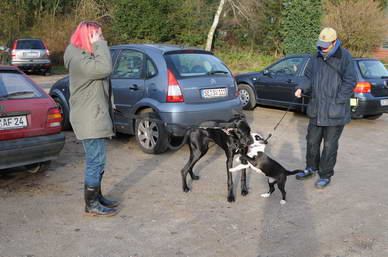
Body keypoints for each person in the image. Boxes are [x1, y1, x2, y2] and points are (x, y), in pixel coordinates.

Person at [64, 21, 119, 216]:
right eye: (99, 35)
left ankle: (98, 196)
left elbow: (100, 80)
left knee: (99, 160)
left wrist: (109, 100)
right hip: (89, 117)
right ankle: (91, 204)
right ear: (90, 36)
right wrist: (100, 45)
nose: (103, 39)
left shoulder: (85, 55)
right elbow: (104, 69)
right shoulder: (79, 57)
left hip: (94, 113)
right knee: (95, 161)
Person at [294, 27, 356, 189]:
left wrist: (338, 100)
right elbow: (308, 76)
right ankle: (310, 168)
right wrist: (301, 87)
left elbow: (350, 81)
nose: (321, 48)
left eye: (325, 45)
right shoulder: (315, 57)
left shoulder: (344, 57)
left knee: (329, 145)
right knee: (312, 141)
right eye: (320, 45)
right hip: (316, 108)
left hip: (335, 111)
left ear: (334, 42)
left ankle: (325, 174)